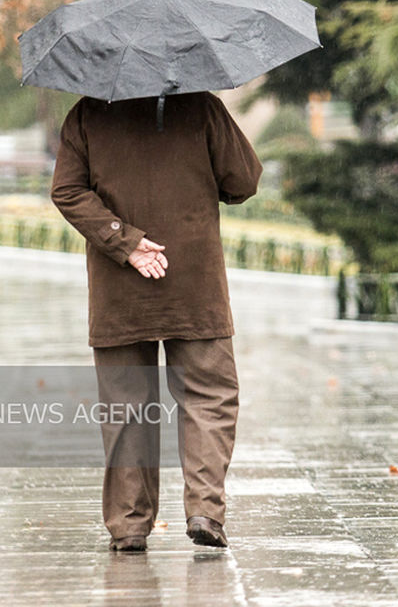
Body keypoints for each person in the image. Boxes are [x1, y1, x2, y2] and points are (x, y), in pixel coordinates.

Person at [51, 92, 261, 553]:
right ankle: (205, 509)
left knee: (127, 404)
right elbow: (243, 181)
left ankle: (129, 525)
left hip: (118, 284)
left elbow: (66, 190)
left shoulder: (89, 112)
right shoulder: (201, 106)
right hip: (194, 279)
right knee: (209, 396)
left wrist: (123, 239)